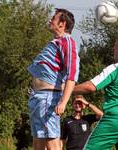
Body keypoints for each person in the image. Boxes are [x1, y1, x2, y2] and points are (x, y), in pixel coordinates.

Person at [73, 34, 118, 150]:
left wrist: (66, 90)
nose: (113, 49)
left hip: (113, 121)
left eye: (115, 47)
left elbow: (90, 87)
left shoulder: (115, 68)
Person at [27, 8, 80, 150]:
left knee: (51, 141)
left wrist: (63, 102)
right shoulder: (55, 43)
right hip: (38, 98)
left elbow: (71, 76)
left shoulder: (67, 42)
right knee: (38, 142)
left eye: (54, 18)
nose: (50, 20)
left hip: (47, 98)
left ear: (62, 24)